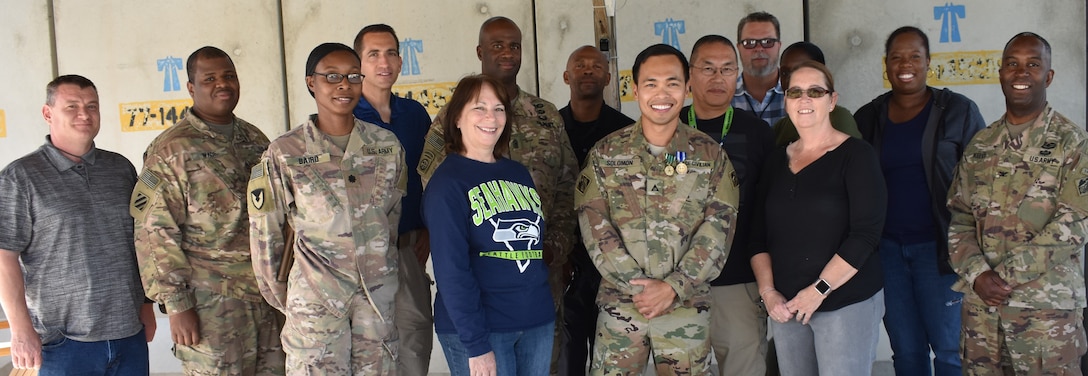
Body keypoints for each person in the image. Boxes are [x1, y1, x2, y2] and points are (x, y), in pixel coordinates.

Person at [416, 16, 578, 372]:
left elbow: (568, 187)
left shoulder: (546, 117)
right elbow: (445, 227)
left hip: (536, 288)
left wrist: (556, 248)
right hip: (482, 301)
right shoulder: (447, 127)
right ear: (480, 51)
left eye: (514, 45)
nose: (507, 52)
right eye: (497, 45)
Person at [575, 43, 740, 375]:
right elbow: (594, 225)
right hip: (622, 307)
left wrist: (673, 288)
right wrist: (639, 286)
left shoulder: (710, 156)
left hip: (685, 308)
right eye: (651, 83)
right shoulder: (606, 153)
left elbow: (718, 230)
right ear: (635, 89)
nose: (661, 93)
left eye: (672, 83)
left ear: (687, 88)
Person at [248, 42, 406, 375]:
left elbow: (390, 221)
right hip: (316, 305)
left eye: (352, 76)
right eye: (332, 76)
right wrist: (294, 300)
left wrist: (380, 273)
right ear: (311, 82)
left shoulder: (387, 146)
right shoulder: (284, 153)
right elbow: (266, 241)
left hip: (375, 303)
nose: (344, 85)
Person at [131, 46, 285, 375]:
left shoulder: (255, 138)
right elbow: (153, 231)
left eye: (229, 76)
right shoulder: (171, 149)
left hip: (266, 296)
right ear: (191, 87)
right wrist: (177, 305)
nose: (222, 84)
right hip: (211, 302)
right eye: (210, 78)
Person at [947, 32, 1088, 375]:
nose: (1021, 73)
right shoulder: (980, 145)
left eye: (1033, 65)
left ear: (1048, 76)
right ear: (1001, 73)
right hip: (982, 319)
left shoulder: (1072, 142)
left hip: (1045, 321)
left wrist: (1002, 278)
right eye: (1012, 64)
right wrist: (978, 275)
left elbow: (1074, 224)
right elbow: (960, 218)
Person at [0, 75, 156, 374]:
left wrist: (147, 304)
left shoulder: (120, 169)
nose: (84, 114)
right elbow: (4, 256)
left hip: (129, 334)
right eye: (71, 106)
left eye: (92, 106)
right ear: (48, 114)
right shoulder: (20, 178)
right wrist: (20, 330)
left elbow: (142, 240)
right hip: (63, 343)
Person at [853, 26, 985, 376]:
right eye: (896, 57)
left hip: (942, 252)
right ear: (886, 65)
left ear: (929, 62)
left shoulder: (959, 111)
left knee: (949, 350)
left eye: (914, 56)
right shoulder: (868, 118)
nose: (905, 64)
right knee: (906, 351)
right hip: (887, 252)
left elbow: (983, 183)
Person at [751, 61, 887, 376]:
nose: (804, 100)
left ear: (832, 100)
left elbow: (866, 234)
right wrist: (769, 293)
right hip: (786, 306)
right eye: (795, 92)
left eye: (815, 91)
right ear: (785, 101)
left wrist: (818, 290)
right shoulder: (774, 161)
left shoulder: (857, 156)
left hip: (844, 302)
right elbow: (756, 235)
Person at [423, 74, 554, 376]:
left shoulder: (518, 173)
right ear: (457, 118)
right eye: (479, 108)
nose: (491, 118)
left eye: (499, 109)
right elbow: (451, 270)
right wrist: (476, 345)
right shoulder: (447, 184)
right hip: (483, 330)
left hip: (536, 322)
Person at [679, 34, 772, 376]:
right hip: (678, 284)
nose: (718, 78)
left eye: (727, 69)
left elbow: (767, 209)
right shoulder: (665, 129)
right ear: (690, 75)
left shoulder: (758, 133)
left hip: (738, 281)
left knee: (745, 368)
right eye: (708, 68)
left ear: (738, 75)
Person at [351, 24, 435, 376]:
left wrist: (428, 230)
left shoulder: (415, 115)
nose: (383, 62)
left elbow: (433, 177)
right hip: (359, 258)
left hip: (408, 249)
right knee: (367, 348)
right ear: (358, 63)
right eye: (373, 54)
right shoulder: (345, 114)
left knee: (414, 341)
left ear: (401, 61)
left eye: (391, 53)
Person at [558, 45, 634, 376]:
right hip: (564, 261)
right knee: (567, 355)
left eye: (595, 65)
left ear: (607, 76)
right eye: (580, 65)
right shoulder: (550, 129)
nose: (587, 70)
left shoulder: (627, 132)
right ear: (566, 75)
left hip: (614, 261)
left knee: (612, 357)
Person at [772, 41, 861, 146]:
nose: (791, 79)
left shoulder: (839, 118)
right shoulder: (781, 127)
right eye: (785, 73)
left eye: (801, 71)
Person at [732, 11, 786, 126]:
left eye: (768, 42)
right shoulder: (725, 97)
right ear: (738, 48)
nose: (759, 48)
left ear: (779, 46)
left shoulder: (798, 94)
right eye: (749, 42)